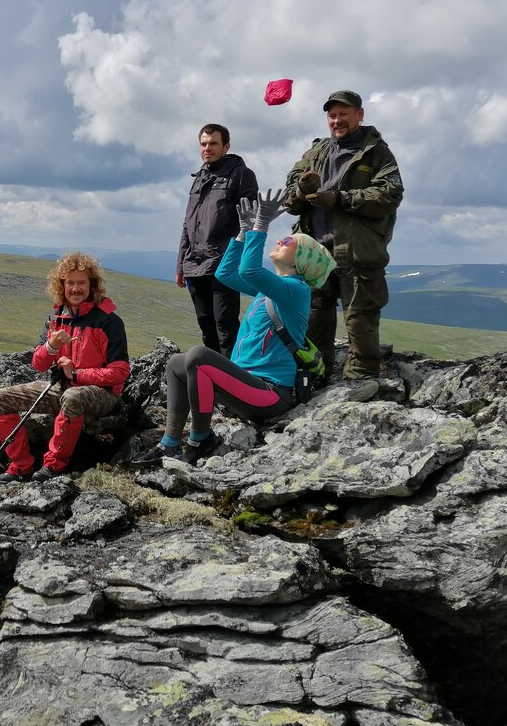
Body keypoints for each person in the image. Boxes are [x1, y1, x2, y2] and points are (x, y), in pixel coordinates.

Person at [133, 190, 335, 465]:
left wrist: (260, 225)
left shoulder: (296, 290)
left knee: (198, 356)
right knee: (176, 364)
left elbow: (250, 271)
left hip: (270, 393)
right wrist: (242, 232)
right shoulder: (271, 292)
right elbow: (226, 274)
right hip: (245, 382)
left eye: (287, 240)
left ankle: (200, 438)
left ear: (303, 259)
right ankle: (169, 444)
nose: (280, 240)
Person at [282, 90, 404, 379]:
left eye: (343, 114)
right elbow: (289, 201)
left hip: (359, 253)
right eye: (332, 115)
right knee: (313, 319)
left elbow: (390, 194)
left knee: (360, 320)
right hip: (315, 255)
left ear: (359, 115)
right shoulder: (315, 153)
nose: (337, 121)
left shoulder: (376, 152)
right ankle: (314, 377)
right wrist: (301, 190)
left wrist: (339, 199)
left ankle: (361, 382)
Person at [0, 252, 130, 481]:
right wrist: (52, 346)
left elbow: (120, 373)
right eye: (70, 283)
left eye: (81, 283)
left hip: (101, 394)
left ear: (92, 285)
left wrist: (76, 373)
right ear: (61, 285)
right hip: (61, 387)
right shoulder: (56, 318)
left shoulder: (109, 321)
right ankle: (21, 466)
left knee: (73, 397)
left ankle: (54, 467)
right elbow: (38, 363)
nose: (75, 289)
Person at [177, 124, 259, 355]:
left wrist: (241, 259)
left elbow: (249, 220)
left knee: (226, 325)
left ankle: (235, 379)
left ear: (226, 146)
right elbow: (188, 224)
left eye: (213, 143)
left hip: (224, 263)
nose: (207, 148)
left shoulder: (241, 174)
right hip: (194, 265)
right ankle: (213, 378)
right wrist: (180, 265)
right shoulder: (199, 177)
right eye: (203, 144)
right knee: (206, 326)